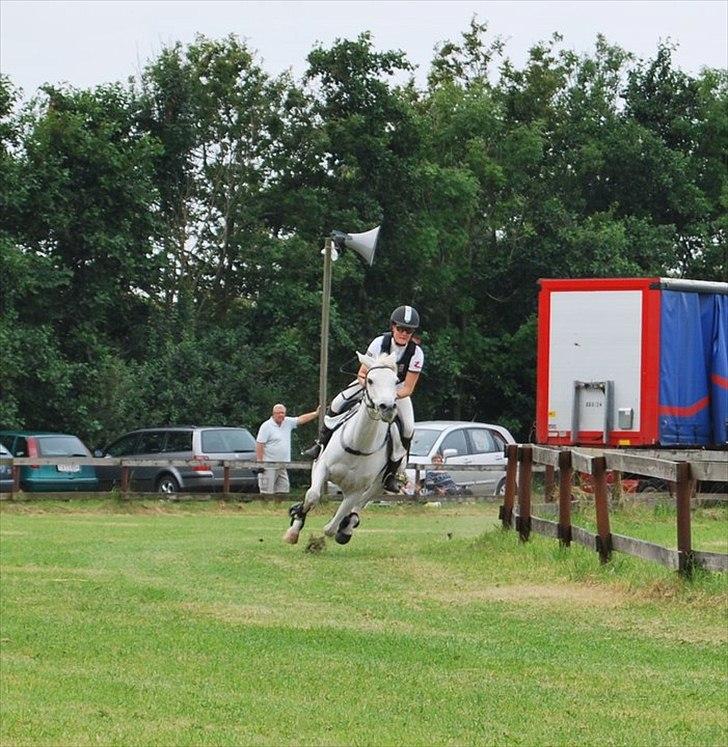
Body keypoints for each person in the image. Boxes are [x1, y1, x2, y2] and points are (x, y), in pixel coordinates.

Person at [302, 305, 424, 494]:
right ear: (393, 327)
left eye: (408, 330)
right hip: (371, 384)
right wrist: (373, 391)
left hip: (396, 392)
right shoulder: (378, 343)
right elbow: (362, 373)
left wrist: (388, 395)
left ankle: (393, 473)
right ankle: (319, 445)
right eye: (400, 329)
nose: (404, 333)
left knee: (408, 428)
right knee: (336, 403)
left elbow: (408, 388)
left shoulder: (416, 354)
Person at [256, 403, 319, 494]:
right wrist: (260, 462)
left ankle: (278, 508)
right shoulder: (266, 426)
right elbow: (259, 444)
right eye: (278, 413)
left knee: (283, 490)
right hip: (269, 465)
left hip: (283, 465)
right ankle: (265, 508)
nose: (281, 415)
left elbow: (300, 419)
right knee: (266, 492)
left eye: (283, 413)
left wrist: (316, 413)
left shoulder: (287, 422)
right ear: (273, 414)